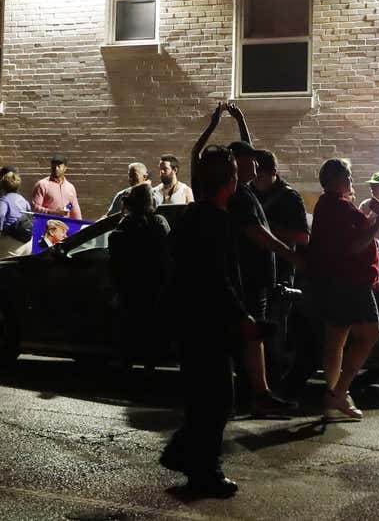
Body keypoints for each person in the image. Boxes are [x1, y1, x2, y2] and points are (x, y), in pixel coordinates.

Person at [190, 102, 299, 415]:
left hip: (254, 278)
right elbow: (196, 155)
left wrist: (239, 119)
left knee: (250, 337)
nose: (256, 164)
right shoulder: (230, 195)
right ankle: (251, 393)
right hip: (244, 278)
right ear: (234, 165)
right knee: (246, 335)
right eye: (249, 160)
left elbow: (245, 150)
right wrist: (212, 125)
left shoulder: (243, 188)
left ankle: (257, 392)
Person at [158, 145, 252, 497]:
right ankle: (203, 470)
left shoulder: (191, 218)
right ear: (230, 181)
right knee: (217, 399)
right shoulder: (216, 221)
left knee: (204, 397)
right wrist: (241, 316)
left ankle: (185, 454)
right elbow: (218, 277)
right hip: (207, 323)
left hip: (188, 320)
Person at [306, 158, 379, 421]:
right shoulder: (339, 207)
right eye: (348, 176)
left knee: (336, 339)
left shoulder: (326, 205)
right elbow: (353, 246)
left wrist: (373, 217)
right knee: (370, 335)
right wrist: (377, 224)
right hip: (352, 282)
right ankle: (339, 392)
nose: (351, 181)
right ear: (336, 180)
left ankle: (335, 393)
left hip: (334, 281)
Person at [109, 182, 170, 371]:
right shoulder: (158, 222)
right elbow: (169, 253)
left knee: (129, 332)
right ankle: (149, 372)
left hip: (129, 287)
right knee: (150, 332)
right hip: (153, 287)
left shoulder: (125, 225)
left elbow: (115, 255)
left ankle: (127, 372)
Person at [251, 149, 309, 284]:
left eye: (260, 177)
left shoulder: (290, 197)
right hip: (253, 270)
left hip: (281, 271)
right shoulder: (248, 193)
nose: (255, 181)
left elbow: (303, 237)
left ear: (273, 172)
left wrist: (264, 231)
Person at [0, 170, 33, 256]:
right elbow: (30, 215)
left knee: (6, 266)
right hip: (27, 240)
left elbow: (0, 214)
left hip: (10, 238)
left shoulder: (4, 200)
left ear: (3, 186)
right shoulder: (23, 200)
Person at [31, 154, 81, 219]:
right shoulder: (42, 185)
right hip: (47, 225)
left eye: (59, 166)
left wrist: (80, 225)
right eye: (53, 166)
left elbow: (74, 208)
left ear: (65, 168)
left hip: (64, 226)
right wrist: (54, 212)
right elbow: (35, 208)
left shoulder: (70, 187)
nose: (56, 168)